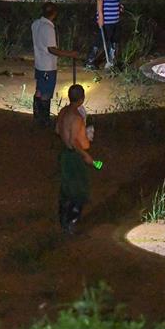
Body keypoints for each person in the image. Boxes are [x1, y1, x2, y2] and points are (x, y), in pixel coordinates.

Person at [56, 84, 102, 234]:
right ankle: (71, 222)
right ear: (82, 99)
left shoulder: (63, 112)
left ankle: (63, 221)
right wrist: (86, 155)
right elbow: (74, 141)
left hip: (65, 154)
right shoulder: (76, 118)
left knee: (67, 189)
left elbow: (58, 130)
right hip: (74, 157)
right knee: (80, 191)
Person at [31, 2, 80, 127]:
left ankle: (38, 117)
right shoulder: (48, 28)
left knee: (39, 90)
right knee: (46, 93)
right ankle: (44, 119)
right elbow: (51, 49)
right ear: (54, 13)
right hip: (48, 65)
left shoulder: (35, 24)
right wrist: (70, 54)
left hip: (39, 64)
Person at [85, 0, 124, 70]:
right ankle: (89, 61)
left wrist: (118, 6)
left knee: (113, 41)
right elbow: (100, 0)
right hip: (107, 20)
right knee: (100, 41)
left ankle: (112, 63)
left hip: (114, 19)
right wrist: (100, 16)